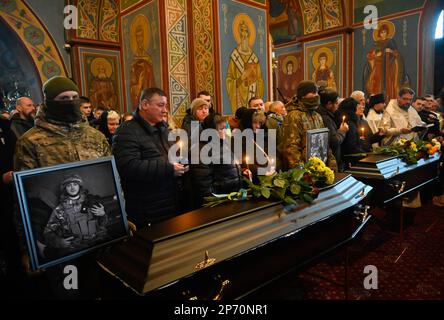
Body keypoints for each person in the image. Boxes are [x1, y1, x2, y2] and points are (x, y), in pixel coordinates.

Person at [113, 87, 188, 227]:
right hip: (147, 209)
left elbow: (171, 155)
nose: (165, 110)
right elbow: (128, 167)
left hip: (170, 203)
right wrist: (168, 169)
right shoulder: (126, 132)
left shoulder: (164, 129)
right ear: (145, 105)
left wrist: (182, 161)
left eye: (166, 106)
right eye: (160, 105)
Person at [42, 175, 108, 259]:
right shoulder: (59, 209)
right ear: (65, 189)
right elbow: (47, 232)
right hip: (76, 248)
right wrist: (58, 241)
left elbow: (104, 224)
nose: (72, 188)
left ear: (79, 186)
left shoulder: (91, 201)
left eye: (75, 184)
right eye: (69, 185)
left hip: (98, 243)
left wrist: (103, 215)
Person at [189, 113, 242, 208]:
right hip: (219, 203)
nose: (225, 131)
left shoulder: (223, 143)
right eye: (221, 129)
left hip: (231, 198)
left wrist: (240, 172)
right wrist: (216, 201)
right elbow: (204, 184)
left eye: (225, 128)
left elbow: (226, 168)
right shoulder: (202, 151)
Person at [282, 80, 337, 171]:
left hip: (319, 167)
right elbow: (291, 148)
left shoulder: (317, 116)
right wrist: (302, 172)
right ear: (303, 95)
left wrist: (331, 164)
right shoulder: (294, 116)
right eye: (313, 92)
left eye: (316, 92)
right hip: (304, 171)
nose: (316, 95)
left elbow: (324, 142)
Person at [226, 18, 264, 113]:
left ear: (249, 34)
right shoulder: (234, 56)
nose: (244, 34)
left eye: (246, 31)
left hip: (252, 92)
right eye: (241, 31)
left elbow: (260, 80)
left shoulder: (254, 58)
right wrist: (241, 79)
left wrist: (254, 81)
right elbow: (229, 80)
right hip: (239, 98)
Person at [363, 22, 409, 100]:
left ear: (387, 33)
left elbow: (397, 54)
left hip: (389, 66)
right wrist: (375, 55)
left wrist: (390, 51)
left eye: (384, 32)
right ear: (379, 33)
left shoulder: (390, 41)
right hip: (378, 66)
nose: (383, 34)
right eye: (381, 32)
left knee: (389, 84)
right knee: (375, 83)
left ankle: (389, 99)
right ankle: (376, 100)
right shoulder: (376, 43)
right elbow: (369, 55)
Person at [317, 88, 349, 170]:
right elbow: (334, 141)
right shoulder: (325, 118)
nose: (337, 106)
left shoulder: (325, 115)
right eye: (336, 103)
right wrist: (342, 131)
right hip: (331, 162)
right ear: (329, 104)